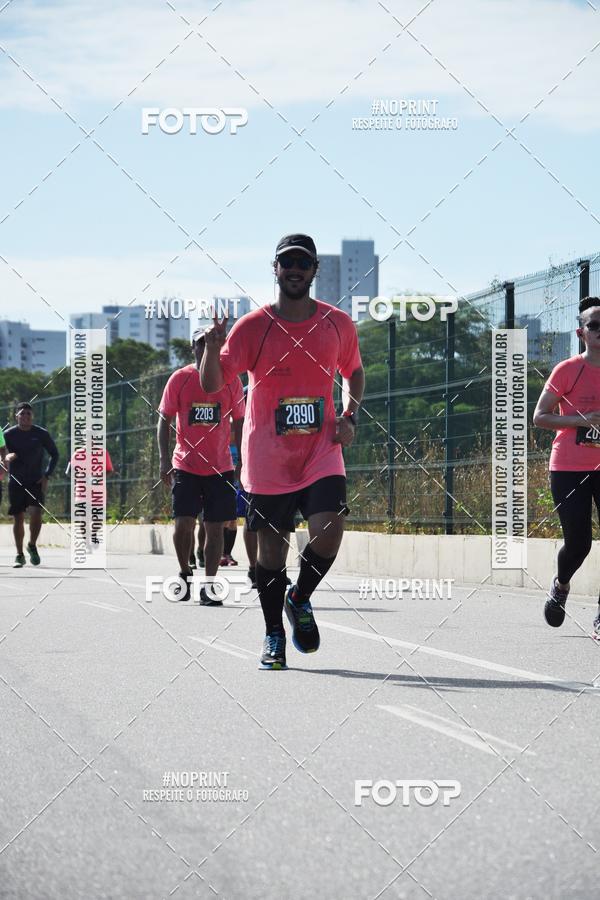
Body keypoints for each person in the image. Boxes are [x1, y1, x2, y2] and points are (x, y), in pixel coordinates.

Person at [201, 233, 364, 668]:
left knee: (329, 531)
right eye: (286, 262)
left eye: (302, 263)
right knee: (270, 554)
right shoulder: (253, 326)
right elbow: (212, 383)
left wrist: (350, 416)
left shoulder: (337, 324)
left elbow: (354, 371)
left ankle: (300, 596)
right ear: (275, 269)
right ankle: (274, 633)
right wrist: (212, 351)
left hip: (321, 451)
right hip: (268, 458)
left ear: (314, 271)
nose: (294, 269)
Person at [158, 329, 244, 604]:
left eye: (212, 342)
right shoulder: (180, 379)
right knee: (184, 524)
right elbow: (165, 420)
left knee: (215, 527)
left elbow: (240, 421)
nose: (206, 347)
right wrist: (163, 460)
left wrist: (241, 459)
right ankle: (185, 573)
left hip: (220, 467)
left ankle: (209, 585)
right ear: (193, 347)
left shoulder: (231, 381)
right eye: (201, 343)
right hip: (186, 464)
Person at [533, 296, 600, 636]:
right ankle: (561, 585)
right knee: (580, 543)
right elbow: (539, 416)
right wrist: (581, 419)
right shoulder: (568, 370)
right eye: (595, 326)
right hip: (569, 466)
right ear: (581, 333)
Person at [4, 402, 59, 568]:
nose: (25, 416)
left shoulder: (41, 434)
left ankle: (32, 545)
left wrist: (46, 475)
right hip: (16, 481)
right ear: (16, 416)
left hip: (35, 480)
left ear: (32, 416)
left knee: (36, 513)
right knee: (18, 517)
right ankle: (19, 554)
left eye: (28, 414)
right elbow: (3, 454)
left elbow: (54, 454)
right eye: (22, 414)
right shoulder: (8, 434)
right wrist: (7, 457)